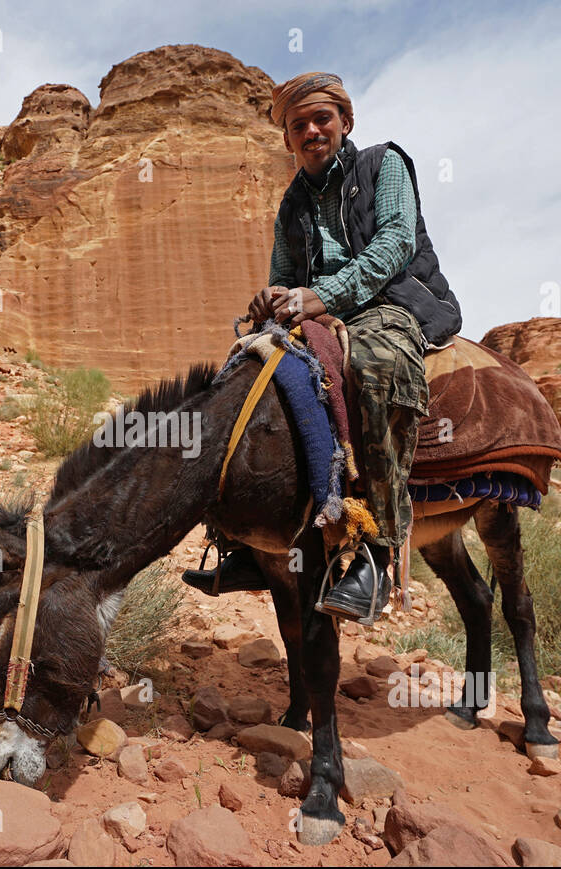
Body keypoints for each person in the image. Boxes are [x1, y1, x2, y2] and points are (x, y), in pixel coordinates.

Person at [183, 71, 463, 622]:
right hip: (319, 310)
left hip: (391, 302)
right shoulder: (291, 204)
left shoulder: (385, 165)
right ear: (288, 139)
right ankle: (239, 542)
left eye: (321, 119)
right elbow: (285, 276)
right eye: (298, 125)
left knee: (377, 369)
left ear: (345, 122)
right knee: (244, 372)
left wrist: (325, 294)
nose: (312, 131)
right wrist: (274, 298)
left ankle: (375, 554)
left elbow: (394, 244)